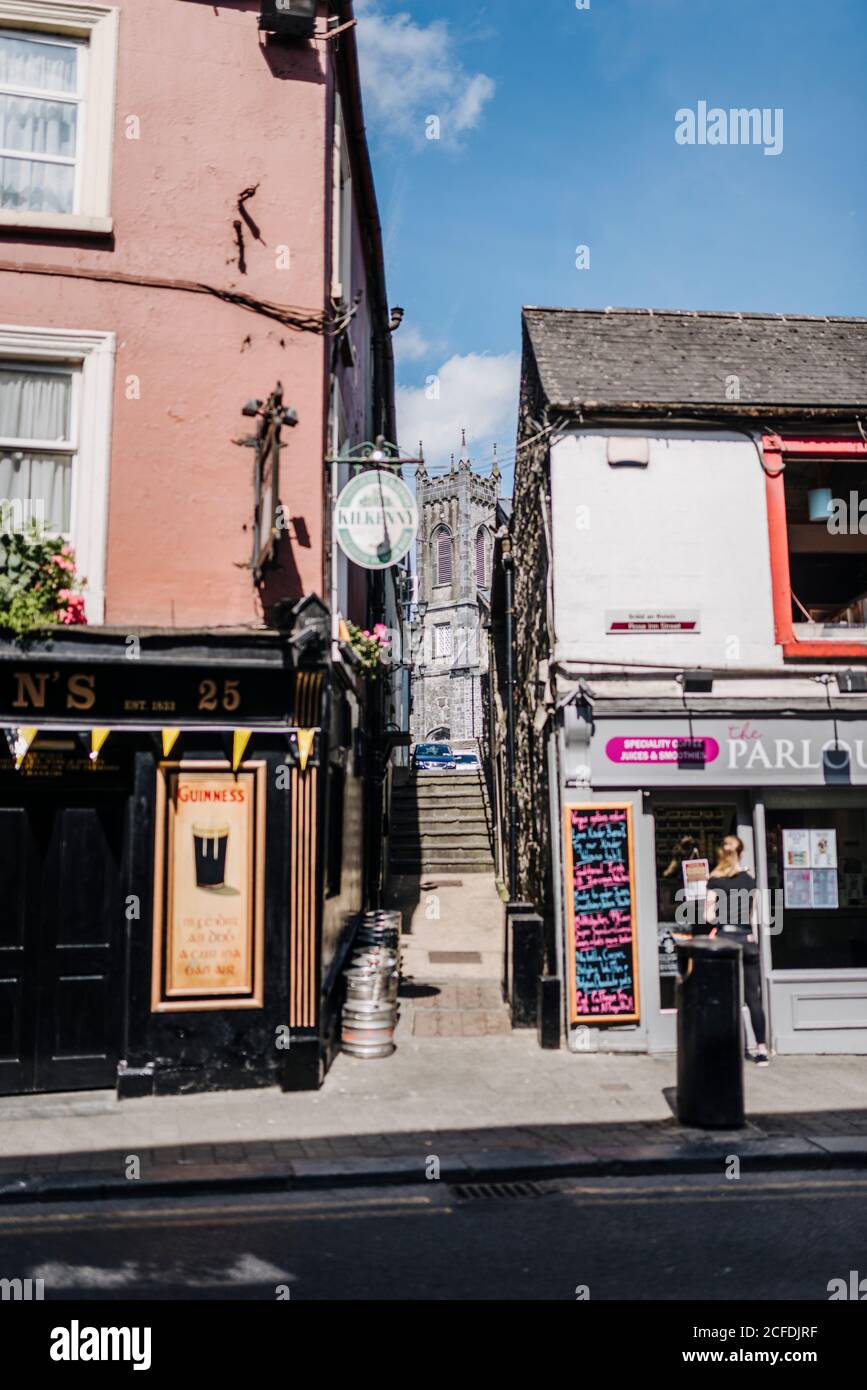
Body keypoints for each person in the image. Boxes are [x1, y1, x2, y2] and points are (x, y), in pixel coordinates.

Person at [704, 835, 769, 1066]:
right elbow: (753, 915)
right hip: (747, 938)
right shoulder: (749, 880)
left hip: (725, 940)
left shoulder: (715, 880)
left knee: (724, 997)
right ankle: (761, 1050)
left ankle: (724, 1048)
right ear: (740, 854)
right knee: (753, 997)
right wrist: (750, 935)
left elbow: (708, 916)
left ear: (722, 854)